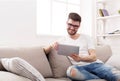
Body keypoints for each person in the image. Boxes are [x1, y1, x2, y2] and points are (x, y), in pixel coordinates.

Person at [44, 12, 120, 81]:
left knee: (117, 76)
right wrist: (51, 46)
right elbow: (44, 51)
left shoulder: (86, 37)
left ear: (79, 26)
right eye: (70, 24)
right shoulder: (61, 40)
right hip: (79, 68)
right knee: (71, 72)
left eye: (75, 26)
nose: (72, 28)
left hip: (96, 65)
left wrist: (80, 58)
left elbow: (93, 57)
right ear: (66, 23)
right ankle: (98, 79)